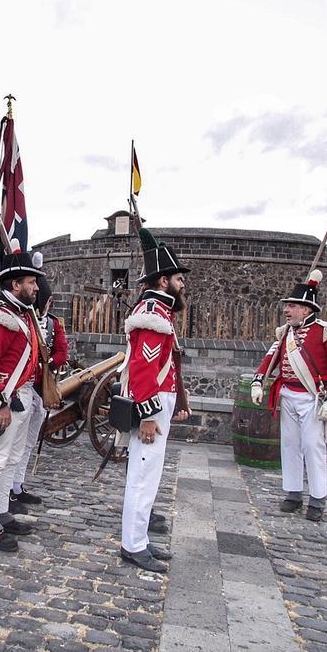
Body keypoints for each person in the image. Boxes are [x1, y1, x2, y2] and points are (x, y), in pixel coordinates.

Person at [251, 270, 327, 522]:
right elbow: (270, 358)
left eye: (292, 306)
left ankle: (317, 498)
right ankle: (293, 492)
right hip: (288, 395)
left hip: (313, 397)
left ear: (306, 310)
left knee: (312, 447)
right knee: (290, 445)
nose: (287, 310)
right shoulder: (285, 333)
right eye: (287, 306)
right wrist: (258, 381)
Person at [120, 228, 191, 573]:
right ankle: (132, 544)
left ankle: (141, 539)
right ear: (163, 280)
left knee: (150, 473)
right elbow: (144, 369)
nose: (183, 285)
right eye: (179, 278)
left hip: (160, 400)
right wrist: (148, 413)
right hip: (151, 402)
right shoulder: (152, 313)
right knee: (143, 473)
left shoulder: (160, 312)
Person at [0, 241, 47, 553]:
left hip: (22, 396)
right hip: (5, 397)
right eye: (31, 282)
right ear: (15, 285)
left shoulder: (22, 314)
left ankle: (2, 512)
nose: (36, 287)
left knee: (11, 460)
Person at [8, 268, 68, 513]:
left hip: (41, 388)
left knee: (29, 442)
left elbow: (62, 352)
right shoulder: (25, 321)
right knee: (14, 444)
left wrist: (48, 364)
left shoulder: (54, 324)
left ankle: (18, 485)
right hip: (24, 385)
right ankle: (8, 491)